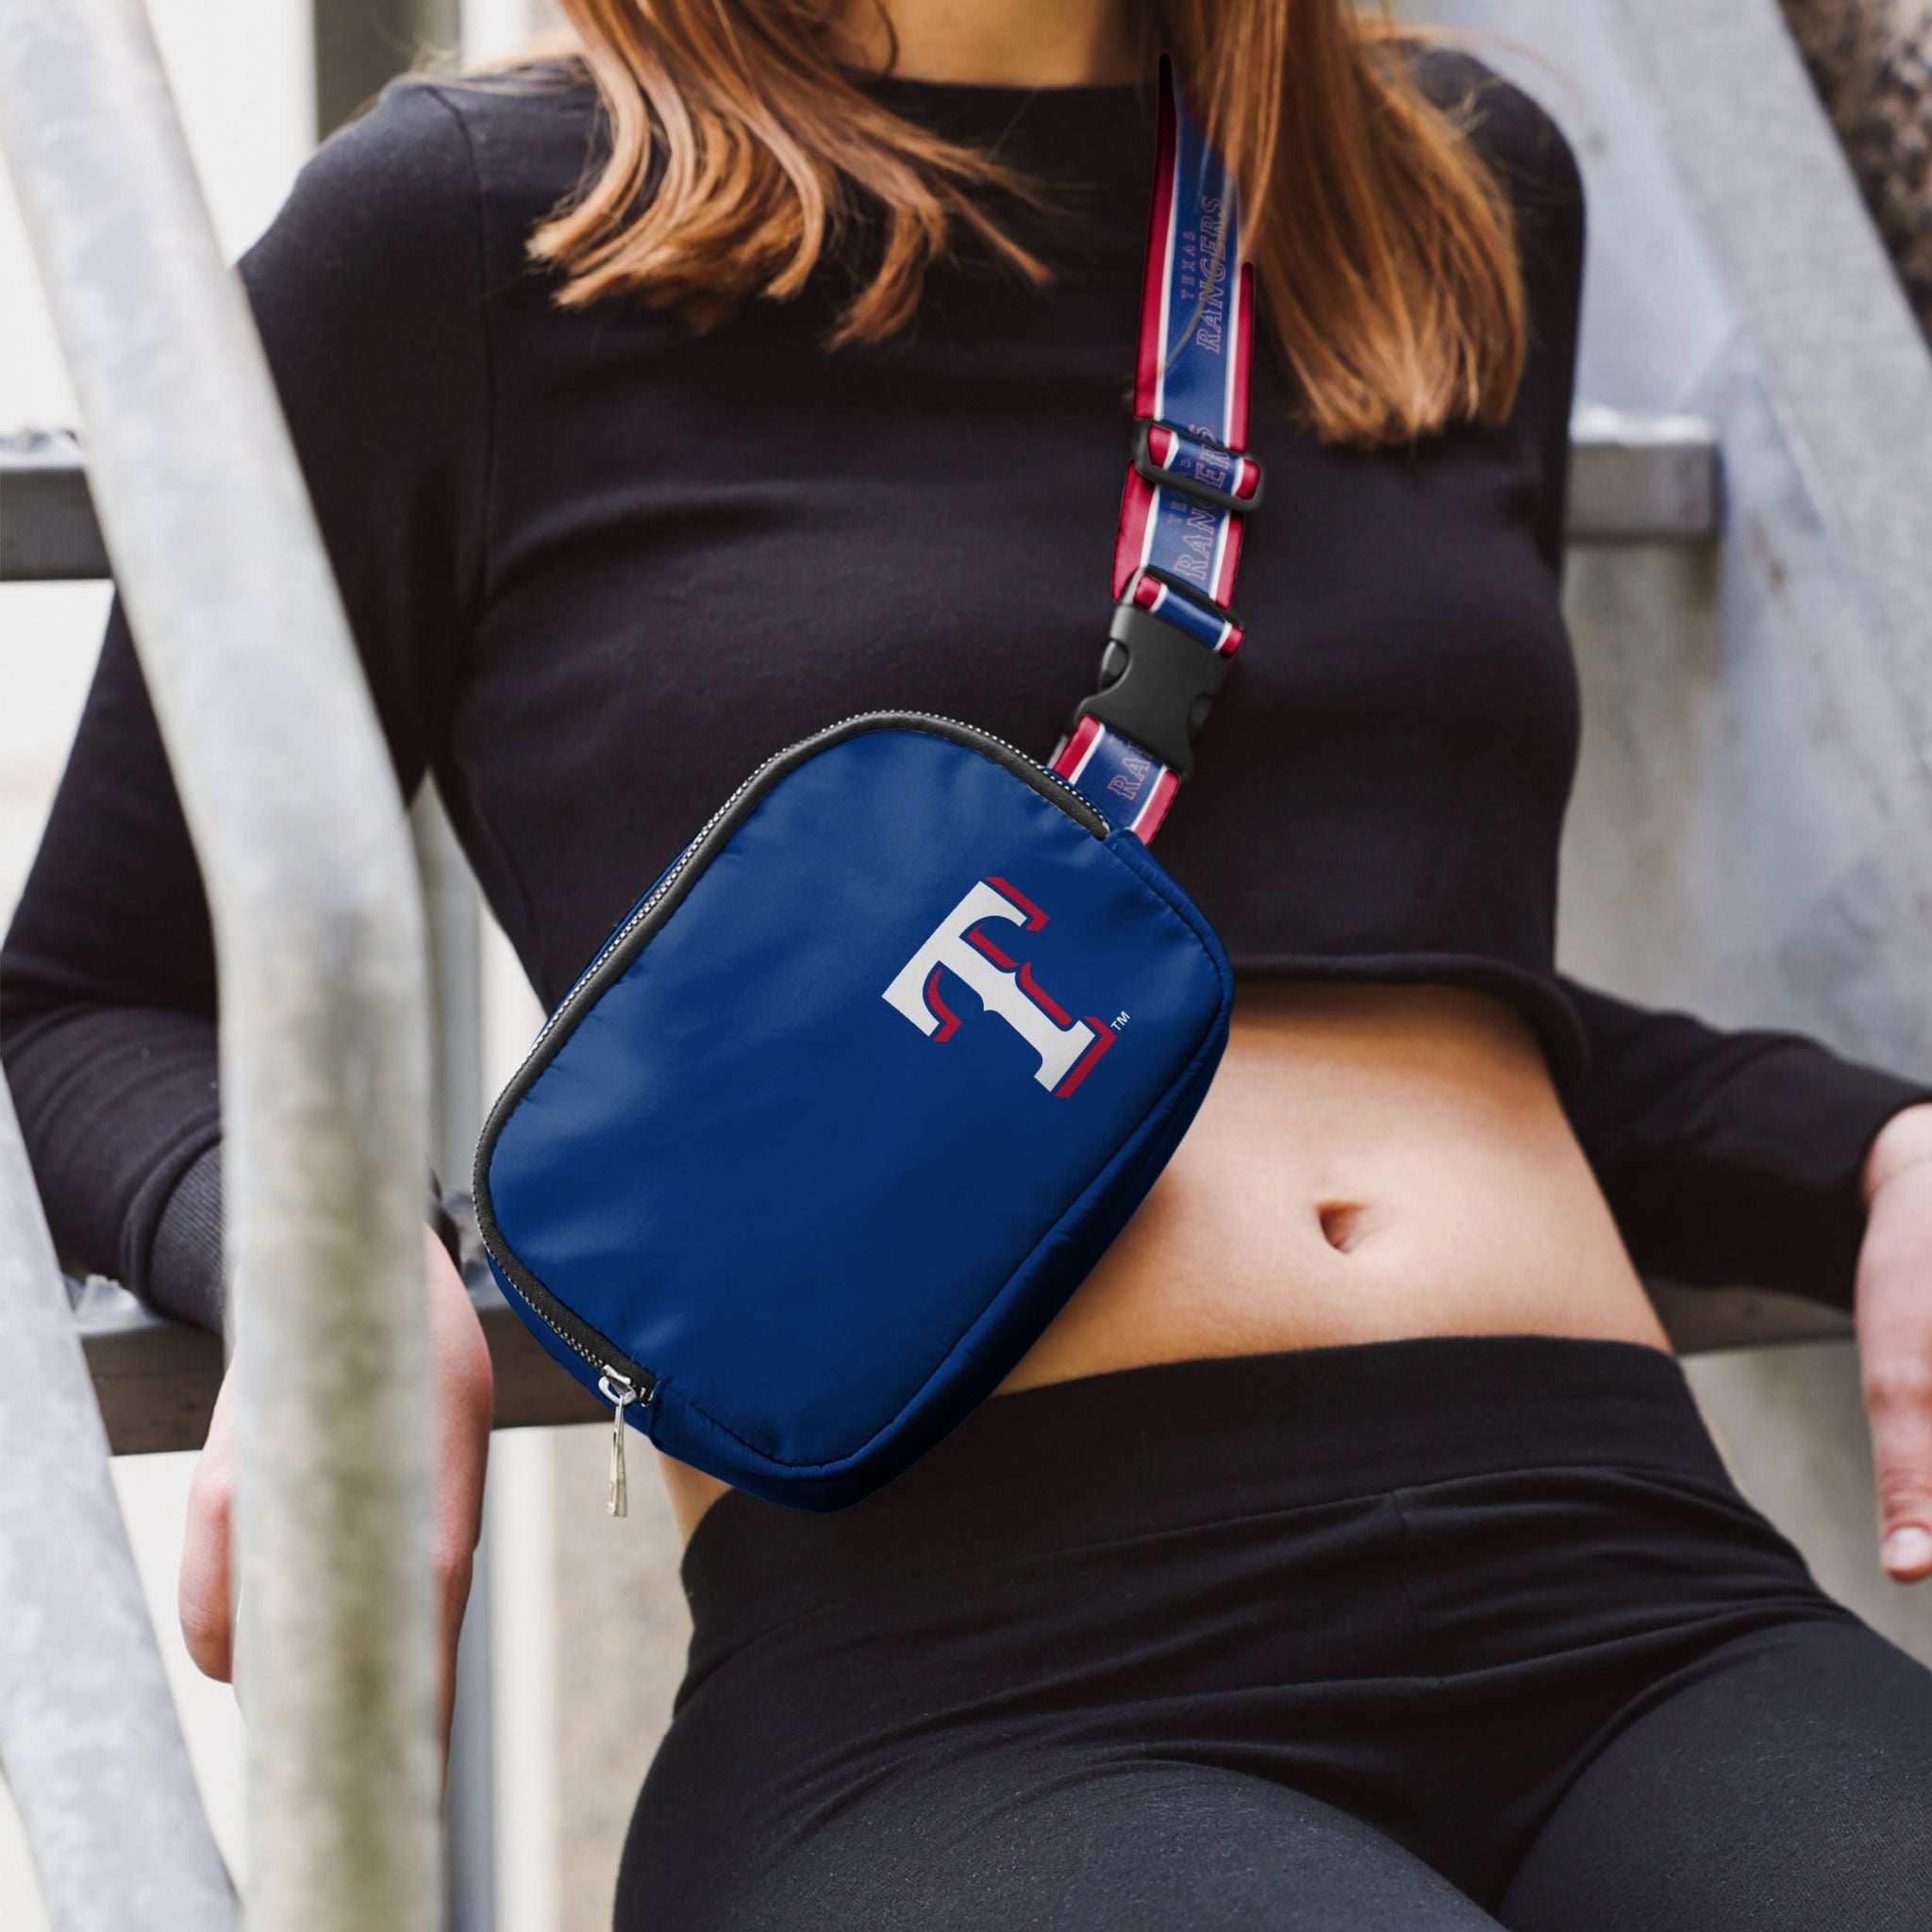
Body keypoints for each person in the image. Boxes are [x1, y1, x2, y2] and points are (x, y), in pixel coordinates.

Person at [7, 0, 1932, 1924]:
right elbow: (87, 993)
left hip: (1630, 1572)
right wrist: (333, 1266)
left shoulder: (1445, 186)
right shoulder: (462, 234)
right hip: (973, 1675)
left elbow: (1401, 982)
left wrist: (1866, 1147)